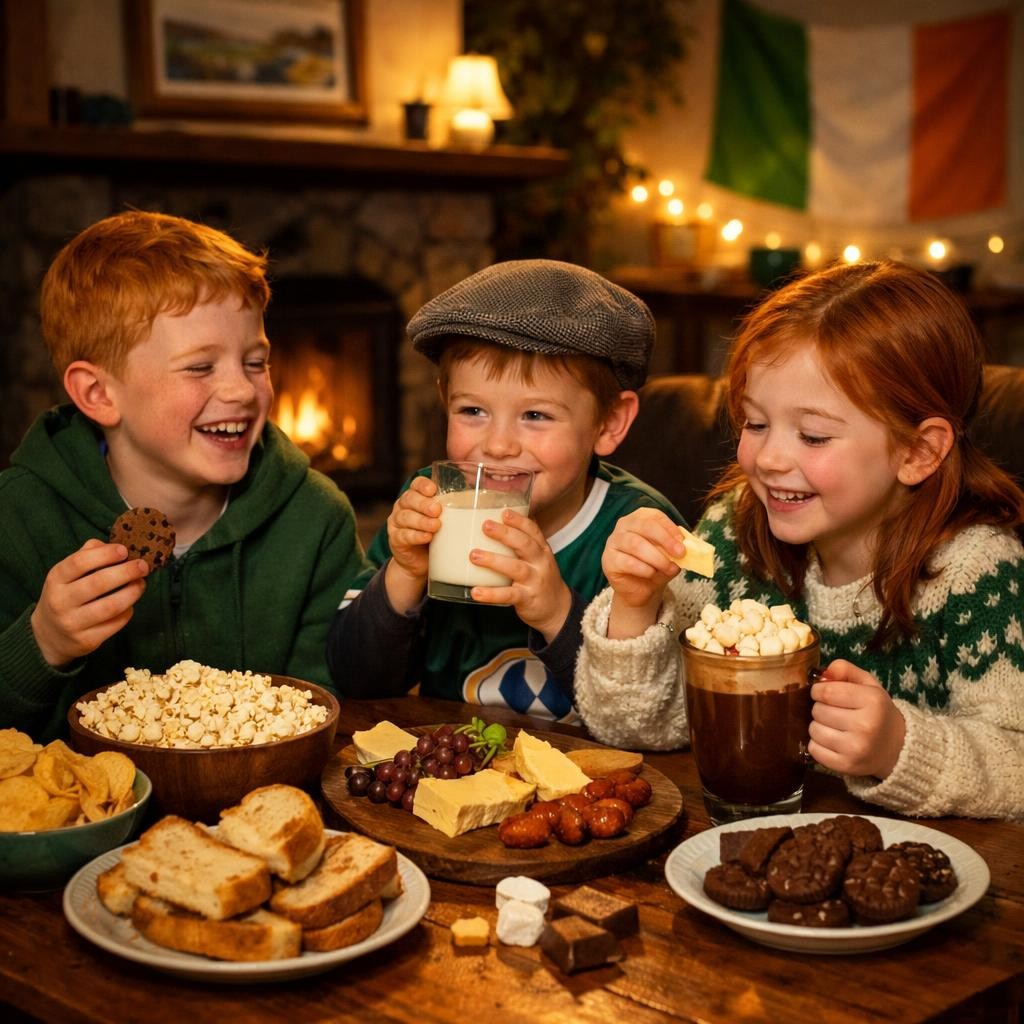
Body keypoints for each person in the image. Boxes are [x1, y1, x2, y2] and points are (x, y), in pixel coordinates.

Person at [575, 260, 1024, 818]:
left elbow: (1018, 764)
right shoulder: (735, 530)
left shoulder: (976, 570)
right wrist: (635, 608)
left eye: (812, 435)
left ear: (919, 452)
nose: (768, 459)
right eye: (754, 423)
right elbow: (637, 724)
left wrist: (899, 746)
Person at [0, 211, 369, 741]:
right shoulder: (18, 518)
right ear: (99, 394)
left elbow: (331, 712)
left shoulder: (315, 519)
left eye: (255, 362)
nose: (243, 391)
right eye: (200, 367)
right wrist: (43, 643)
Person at [327, 259, 685, 720]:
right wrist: (405, 572)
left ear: (609, 423)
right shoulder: (428, 504)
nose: (496, 446)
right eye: (472, 410)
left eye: (535, 416)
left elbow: (654, 715)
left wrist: (558, 612)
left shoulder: (639, 537)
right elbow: (355, 679)